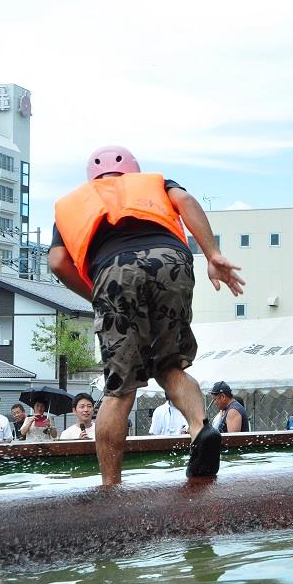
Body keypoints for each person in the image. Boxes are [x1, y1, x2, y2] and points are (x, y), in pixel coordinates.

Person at [48, 145, 243, 484]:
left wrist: (97, 294)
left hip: (114, 268)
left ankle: (111, 485)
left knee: (120, 387)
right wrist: (212, 254)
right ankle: (200, 429)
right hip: (171, 261)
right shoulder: (156, 184)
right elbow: (187, 202)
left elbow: (57, 262)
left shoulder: (71, 205)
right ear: (133, 172)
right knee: (170, 365)